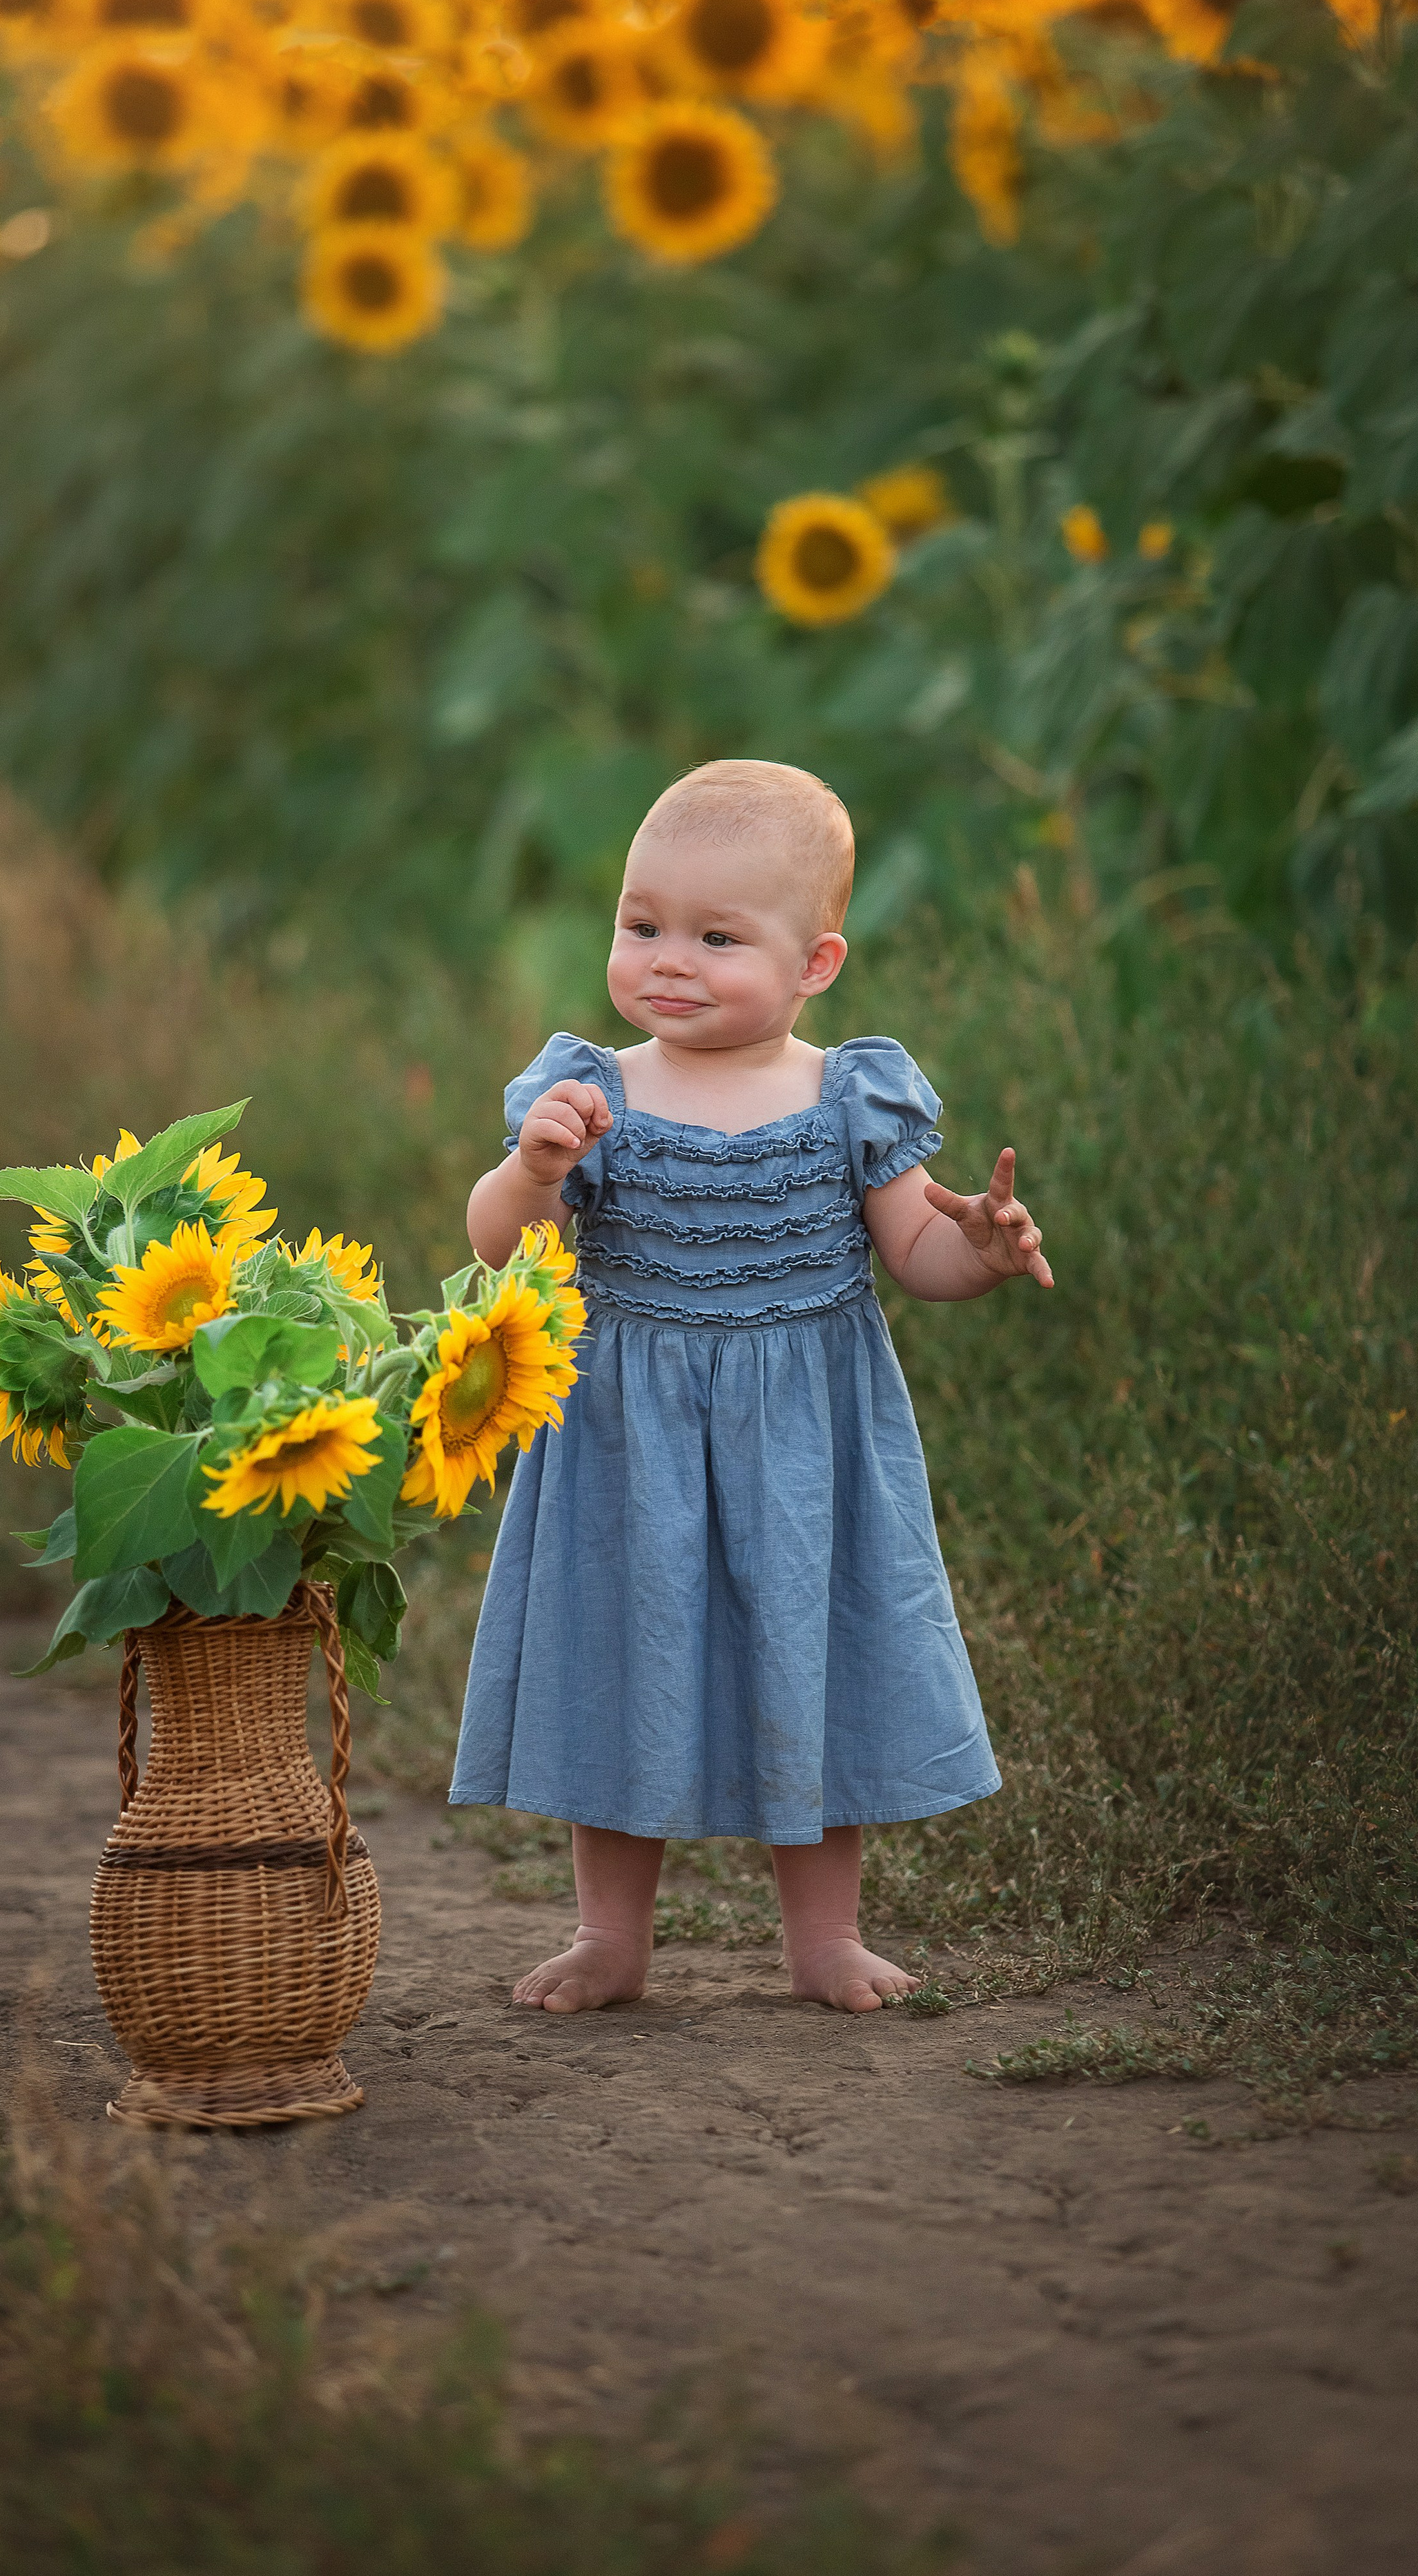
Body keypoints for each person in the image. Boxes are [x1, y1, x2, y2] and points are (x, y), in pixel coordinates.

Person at [453, 759, 1053, 2015]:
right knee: (623, 1653)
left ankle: (823, 1938)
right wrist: (531, 1170)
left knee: (810, 1653)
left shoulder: (848, 1096)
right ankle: (611, 1938)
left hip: (804, 1438)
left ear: (814, 964)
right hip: (628, 1430)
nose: (668, 959)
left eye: (717, 937)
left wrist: (982, 1253)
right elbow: (500, 1242)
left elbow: (916, 1255)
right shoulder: (591, 1092)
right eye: (642, 924)